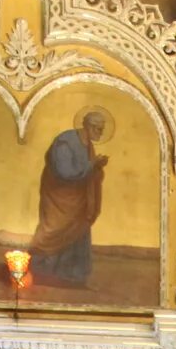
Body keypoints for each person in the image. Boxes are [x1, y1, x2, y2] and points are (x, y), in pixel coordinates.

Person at [30, 109, 110, 286]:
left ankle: (73, 277)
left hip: (78, 201)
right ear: (87, 126)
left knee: (78, 233)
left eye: (102, 129)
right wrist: (92, 165)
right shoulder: (65, 142)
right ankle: (41, 273)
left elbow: (86, 172)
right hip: (59, 199)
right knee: (53, 232)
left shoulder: (88, 144)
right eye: (98, 128)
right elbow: (65, 173)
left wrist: (96, 167)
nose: (100, 133)